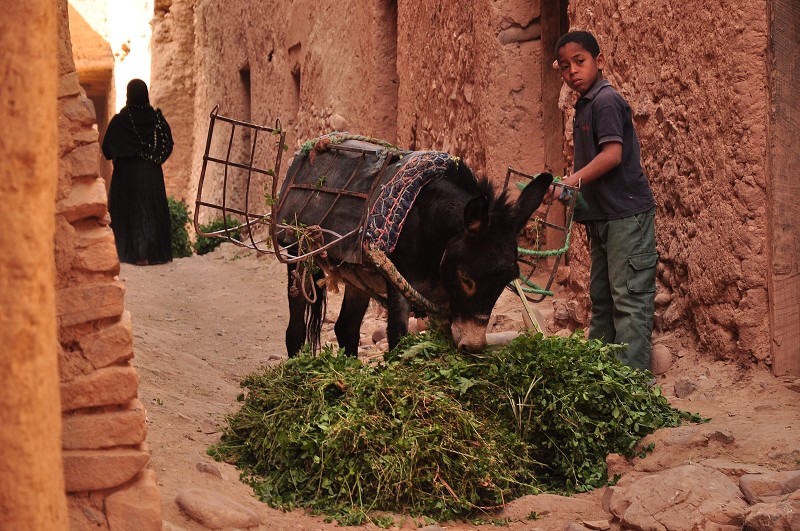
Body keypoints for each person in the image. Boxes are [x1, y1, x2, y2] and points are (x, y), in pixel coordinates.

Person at [550, 30, 657, 372]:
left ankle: (631, 383)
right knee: (602, 295)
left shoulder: (606, 101)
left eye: (580, 62)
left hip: (626, 214)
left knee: (628, 298)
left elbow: (612, 156)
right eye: (565, 67)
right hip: (602, 217)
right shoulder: (583, 106)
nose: (573, 73)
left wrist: (571, 180)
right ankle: (599, 372)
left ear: (599, 61)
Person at [102, 79, 174, 265]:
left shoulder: (121, 121)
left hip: (126, 175)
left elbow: (108, 150)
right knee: (150, 211)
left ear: (128, 95)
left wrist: (126, 151)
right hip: (151, 174)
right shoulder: (157, 119)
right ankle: (151, 254)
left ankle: (134, 254)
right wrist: (151, 158)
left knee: (130, 212)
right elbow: (167, 145)